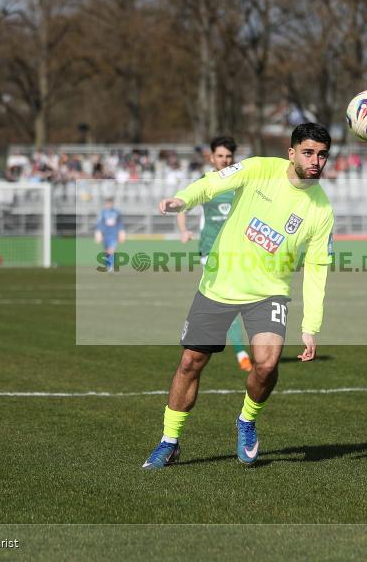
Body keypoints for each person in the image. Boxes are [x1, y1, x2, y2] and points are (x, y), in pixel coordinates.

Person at [142, 123, 335, 470]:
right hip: (221, 283)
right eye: (308, 153)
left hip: (269, 291)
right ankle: (169, 442)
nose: (315, 161)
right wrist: (182, 199)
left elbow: (317, 267)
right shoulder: (260, 168)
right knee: (190, 363)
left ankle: (246, 420)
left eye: (322, 155)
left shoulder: (321, 210)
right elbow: (213, 183)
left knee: (267, 364)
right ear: (291, 153)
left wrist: (311, 326)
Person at [177, 136, 253, 372]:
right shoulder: (206, 182)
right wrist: (184, 230)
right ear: (211, 158)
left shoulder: (241, 182)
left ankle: (221, 346)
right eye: (220, 156)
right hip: (210, 251)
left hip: (237, 252)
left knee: (238, 301)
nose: (224, 160)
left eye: (229, 156)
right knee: (226, 300)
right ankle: (239, 352)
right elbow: (182, 206)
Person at [95, 197, 125, 272]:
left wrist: (122, 233)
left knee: (112, 250)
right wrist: (98, 234)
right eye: (108, 203)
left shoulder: (117, 212)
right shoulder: (102, 212)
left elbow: (120, 224)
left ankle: (111, 266)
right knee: (107, 251)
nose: (109, 205)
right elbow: (99, 224)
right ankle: (108, 265)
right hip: (105, 234)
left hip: (113, 234)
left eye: (110, 203)